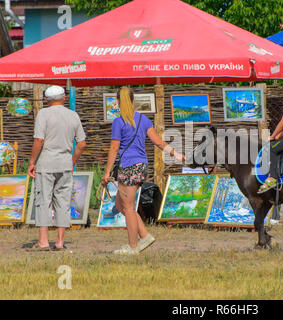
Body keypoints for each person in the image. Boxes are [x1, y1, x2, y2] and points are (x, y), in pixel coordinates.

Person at [101, 86, 185, 255]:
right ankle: (144, 236)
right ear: (133, 101)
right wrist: (175, 153)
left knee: (129, 208)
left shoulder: (118, 122)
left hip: (128, 167)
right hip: (141, 166)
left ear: (117, 102)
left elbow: (114, 148)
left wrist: (107, 172)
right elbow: (158, 142)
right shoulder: (143, 120)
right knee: (121, 204)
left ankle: (133, 247)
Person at [27, 85, 87, 251]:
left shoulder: (43, 114)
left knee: (43, 200)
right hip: (65, 164)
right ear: (64, 98)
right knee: (63, 202)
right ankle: (60, 242)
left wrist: (32, 162)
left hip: (46, 164)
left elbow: (39, 140)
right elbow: (82, 144)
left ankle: (43, 241)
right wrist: (72, 161)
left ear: (46, 99)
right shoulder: (73, 115)